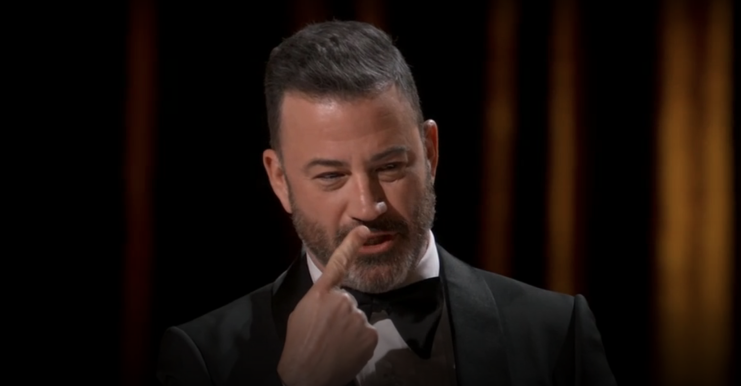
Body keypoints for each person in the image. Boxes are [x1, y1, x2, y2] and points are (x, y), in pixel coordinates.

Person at [155, 20, 616, 386]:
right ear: (279, 179)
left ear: (430, 152)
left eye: (390, 167)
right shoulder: (203, 359)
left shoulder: (558, 333)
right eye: (332, 176)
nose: (367, 205)